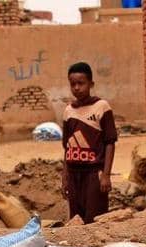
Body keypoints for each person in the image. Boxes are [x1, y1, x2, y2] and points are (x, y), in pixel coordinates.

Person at [61, 62, 117, 224]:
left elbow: (110, 143)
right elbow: (67, 147)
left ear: (91, 84)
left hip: (94, 173)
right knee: (76, 220)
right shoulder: (68, 111)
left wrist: (106, 175)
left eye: (81, 83)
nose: (77, 87)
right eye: (73, 84)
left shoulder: (101, 107)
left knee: (94, 219)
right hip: (74, 173)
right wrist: (65, 176)